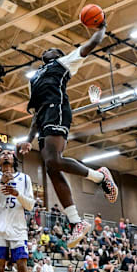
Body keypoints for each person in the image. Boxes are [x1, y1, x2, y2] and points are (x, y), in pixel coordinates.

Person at [16, 21, 118, 247]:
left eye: (51, 49)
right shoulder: (34, 80)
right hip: (44, 118)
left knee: (54, 159)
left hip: (58, 111)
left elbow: (93, 43)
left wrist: (101, 25)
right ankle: (75, 222)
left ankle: (100, 177)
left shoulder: (63, 62)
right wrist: (29, 140)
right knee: (51, 167)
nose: (45, 50)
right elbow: (37, 112)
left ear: (58, 54)